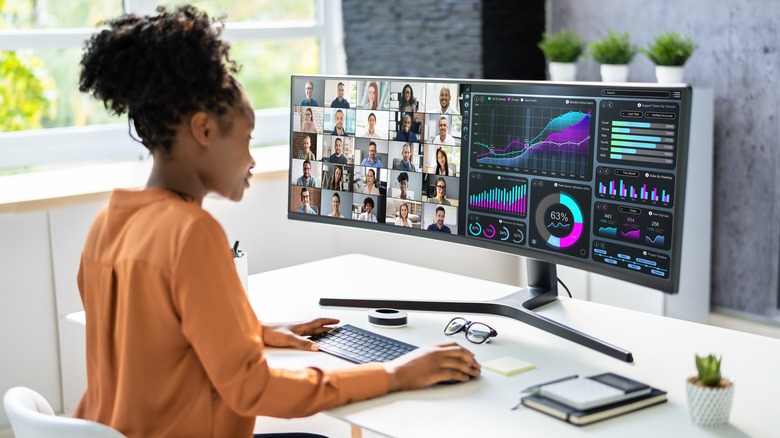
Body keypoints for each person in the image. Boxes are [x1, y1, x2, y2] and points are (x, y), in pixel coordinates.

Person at [77, 7, 480, 437]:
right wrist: (395, 373)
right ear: (203, 130)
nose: (252, 160)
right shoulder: (191, 233)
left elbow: (156, 335)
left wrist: (254, 331)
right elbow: (253, 390)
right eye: (246, 139)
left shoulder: (108, 222)